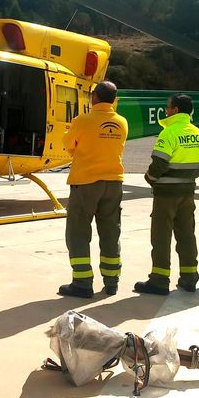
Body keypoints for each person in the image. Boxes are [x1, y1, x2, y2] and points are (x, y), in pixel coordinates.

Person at [58, 81, 128, 299]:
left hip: (86, 183)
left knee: (78, 232)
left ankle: (82, 282)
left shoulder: (82, 121)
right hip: (114, 182)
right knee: (110, 232)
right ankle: (112, 281)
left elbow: (68, 145)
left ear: (95, 97)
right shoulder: (122, 122)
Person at [135, 94, 199, 296]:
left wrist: (149, 178)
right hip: (187, 192)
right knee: (186, 235)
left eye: (168, 107)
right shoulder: (197, 133)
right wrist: (187, 177)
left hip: (166, 194)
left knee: (161, 237)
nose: (166, 111)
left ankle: (159, 280)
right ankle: (189, 277)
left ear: (175, 110)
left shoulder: (168, 133)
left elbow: (158, 164)